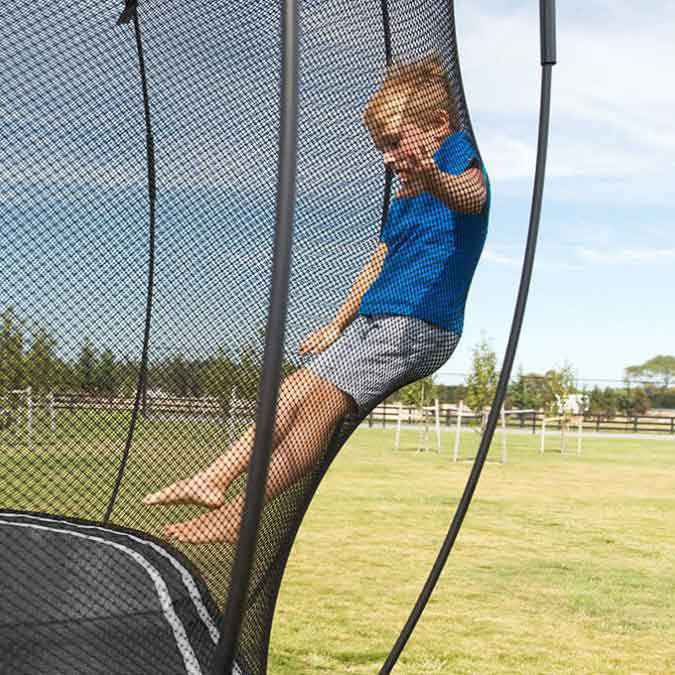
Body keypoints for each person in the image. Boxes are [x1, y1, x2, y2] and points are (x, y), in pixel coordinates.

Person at [143, 51, 489, 543]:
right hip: (374, 321)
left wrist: (433, 176)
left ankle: (239, 516)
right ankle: (216, 477)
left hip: (419, 322)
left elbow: (472, 197)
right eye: (381, 147)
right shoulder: (406, 194)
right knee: (291, 391)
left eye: (393, 143)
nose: (388, 158)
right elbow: (378, 262)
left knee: (317, 410)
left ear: (436, 124)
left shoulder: (456, 155)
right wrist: (337, 324)